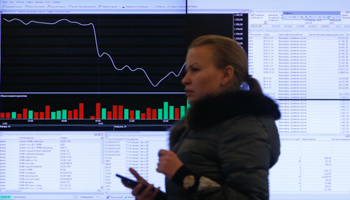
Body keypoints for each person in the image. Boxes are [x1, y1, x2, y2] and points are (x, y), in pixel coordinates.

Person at [122, 35, 281, 200]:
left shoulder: (244, 126)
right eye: (186, 71)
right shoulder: (206, 124)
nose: (185, 80)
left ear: (226, 74)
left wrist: (183, 177)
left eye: (195, 70)